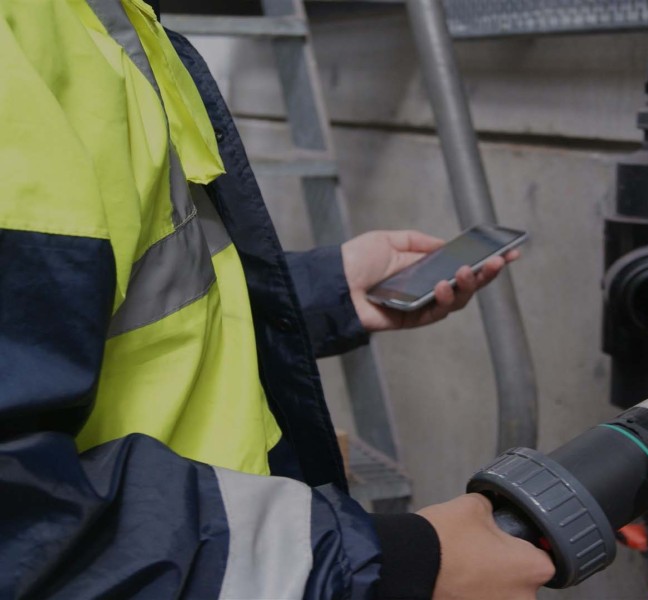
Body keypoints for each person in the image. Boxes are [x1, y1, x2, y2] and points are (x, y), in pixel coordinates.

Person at [0, 1, 554, 598]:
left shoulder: (108, 16)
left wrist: (328, 289)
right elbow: (20, 530)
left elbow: (138, 291)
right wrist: (396, 564)